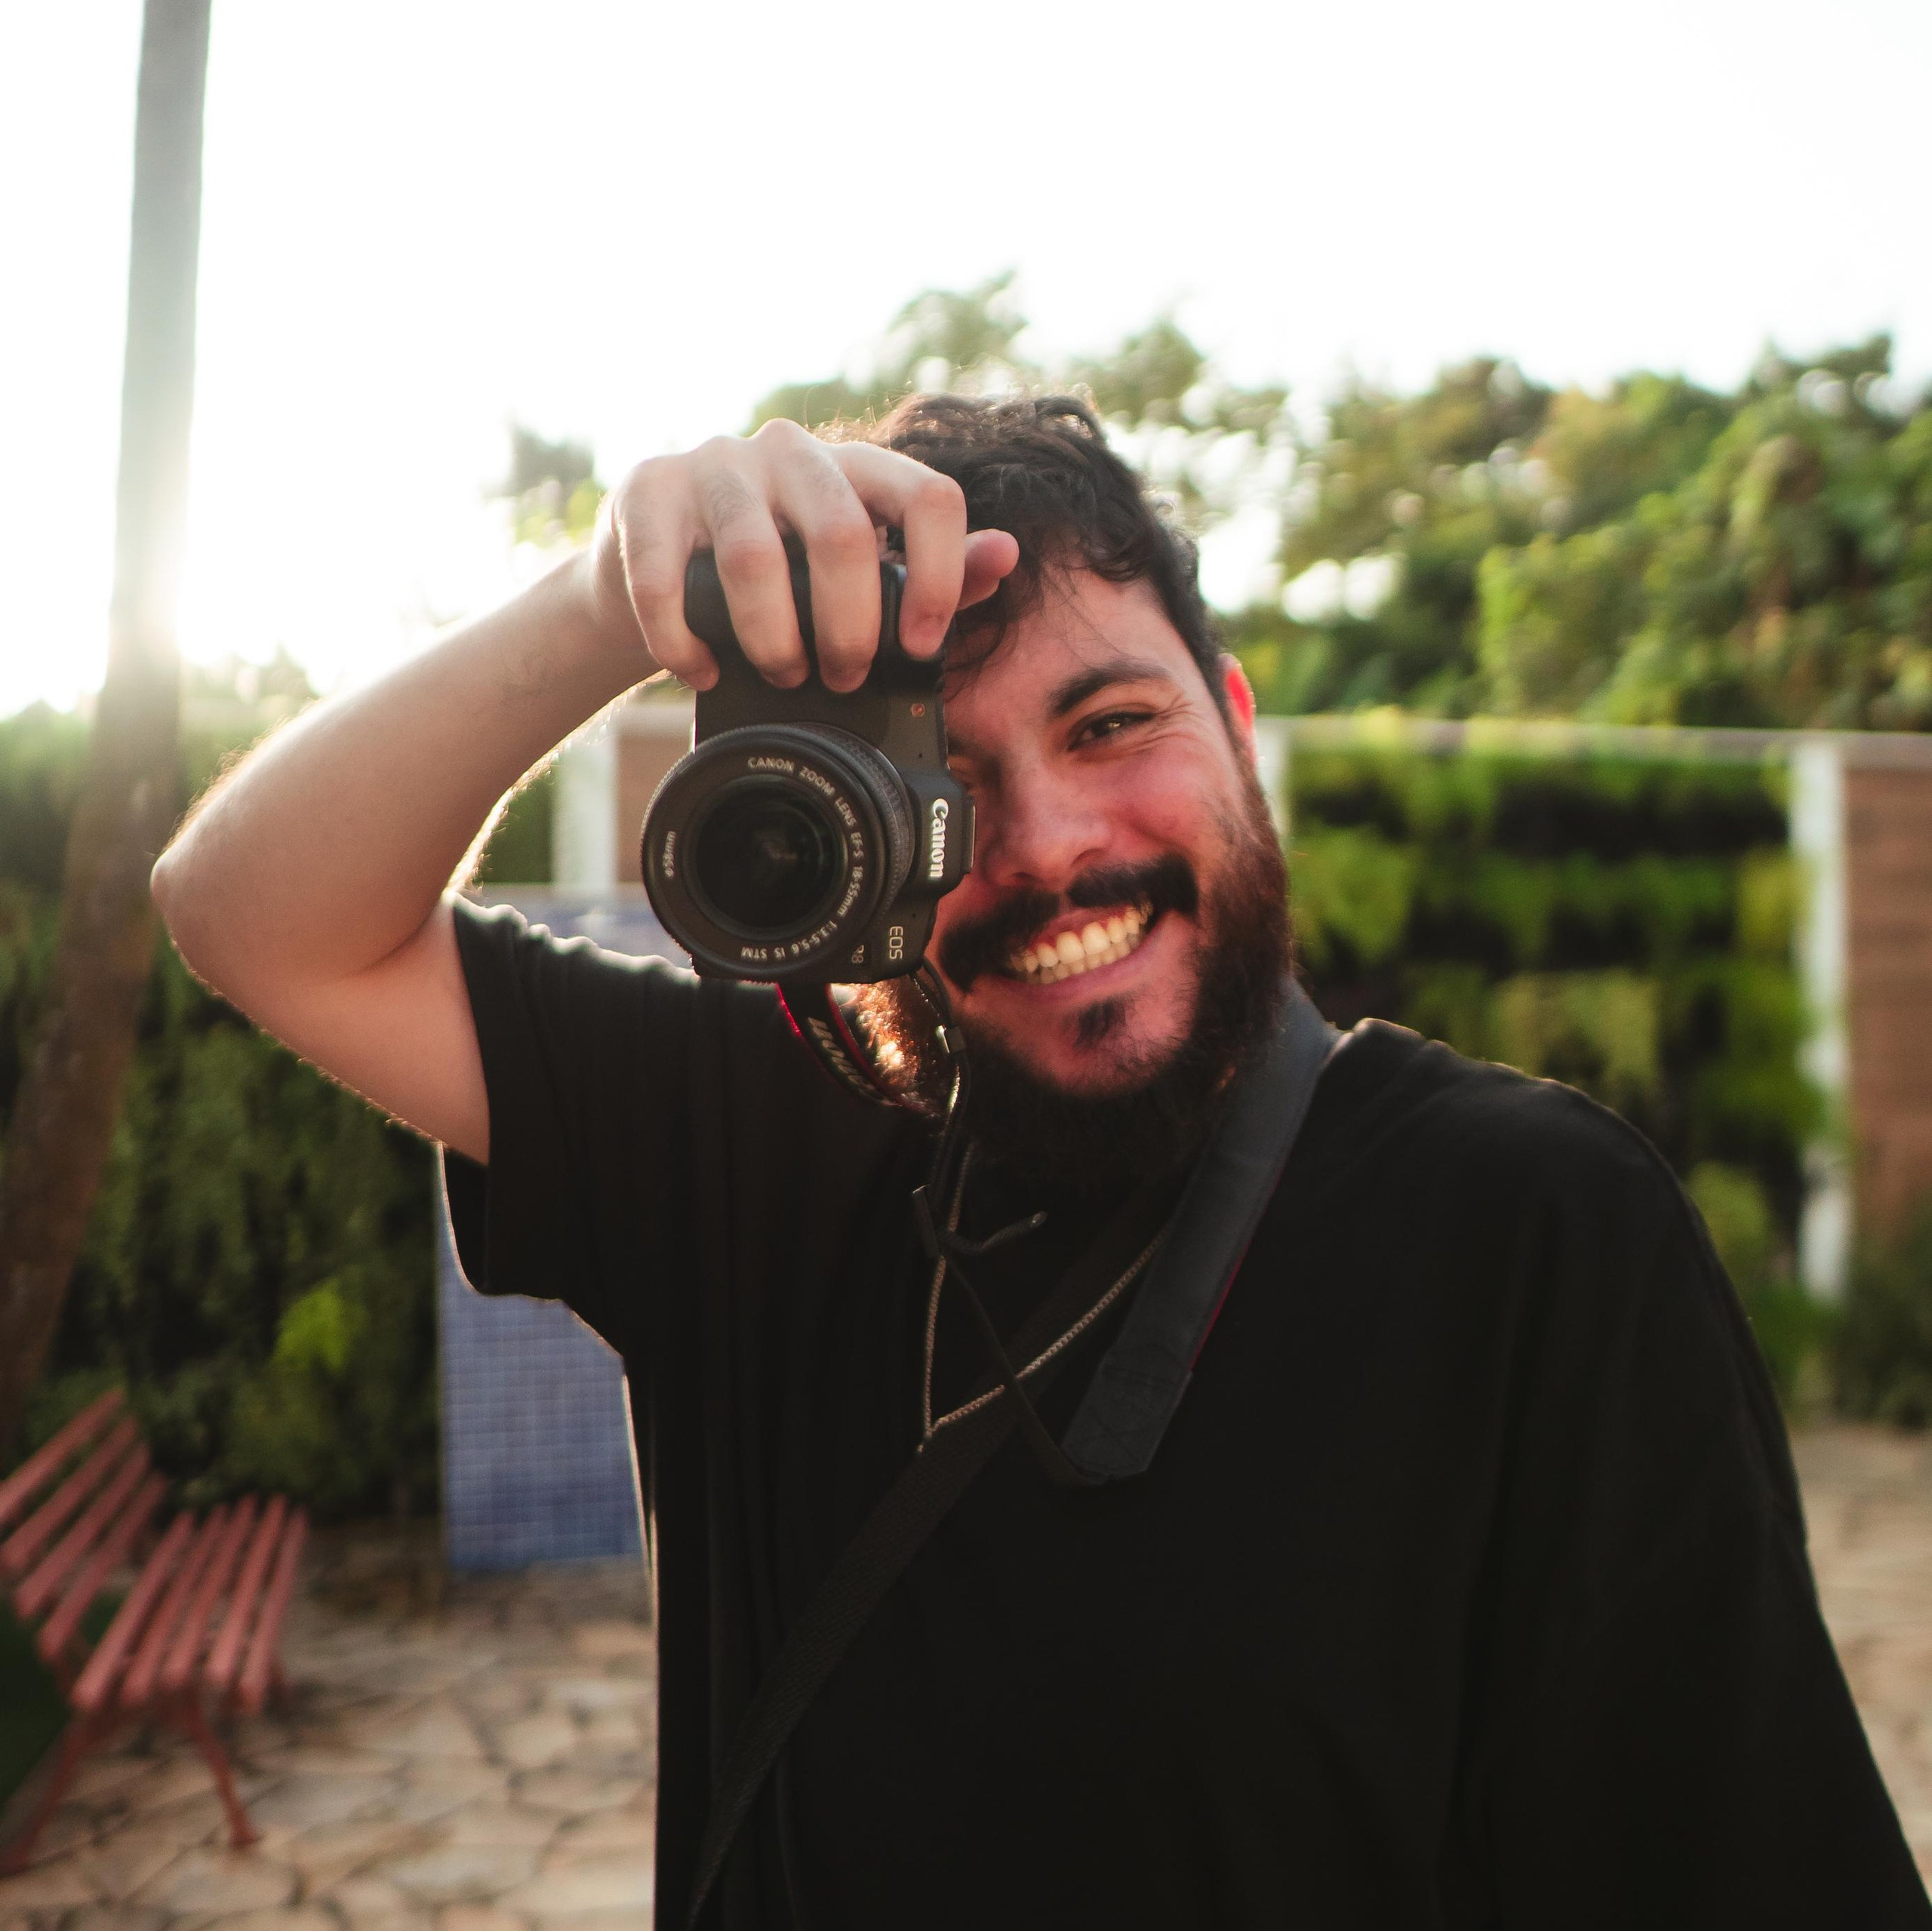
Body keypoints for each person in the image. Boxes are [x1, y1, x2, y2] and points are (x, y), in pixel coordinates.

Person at [152, 395, 1930, 1928]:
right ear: (853, 847)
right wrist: (601, 597)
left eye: (1108, 725)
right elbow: (247, 913)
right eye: (947, 784)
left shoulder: (1527, 1227)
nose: (1051, 847)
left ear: (1238, 730)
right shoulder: (759, 1142)